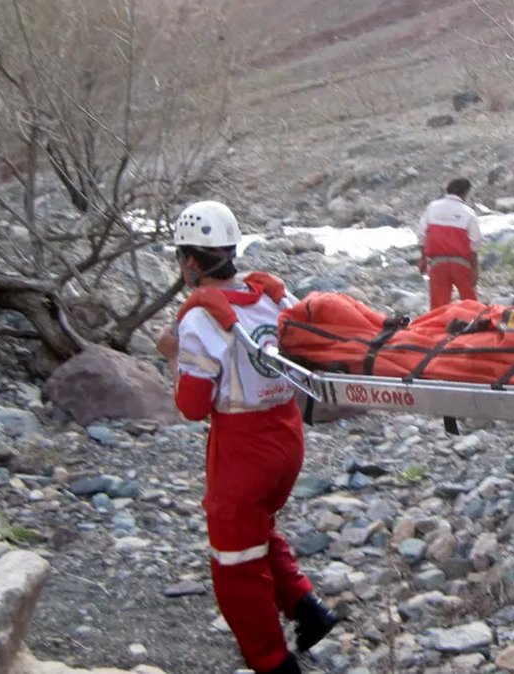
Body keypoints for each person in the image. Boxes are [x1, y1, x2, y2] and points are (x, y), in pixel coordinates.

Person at [156, 200, 338, 674]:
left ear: (191, 262)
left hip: (243, 444)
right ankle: (305, 607)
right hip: (287, 433)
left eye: (181, 258)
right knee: (258, 526)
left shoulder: (198, 320)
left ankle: (273, 663)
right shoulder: (271, 297)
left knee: (235, 561)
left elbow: (193, 407)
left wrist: (171, 357)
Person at [417, 177, 481, 310]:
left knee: (438, 307)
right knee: (471, 305)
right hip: (461, 264)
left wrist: (423, 258)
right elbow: (475, 244)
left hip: (437, 264)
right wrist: (474, 269)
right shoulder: (468, 213)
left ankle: (438, 329)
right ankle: (475, 328)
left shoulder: (432, 208)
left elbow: (422, 235)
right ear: (466, 193)